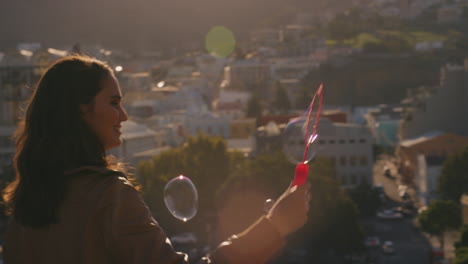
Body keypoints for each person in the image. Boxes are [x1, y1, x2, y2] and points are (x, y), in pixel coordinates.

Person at [2, 55, 309, 264]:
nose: (123, 115)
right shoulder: (109, 197)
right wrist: (274, 226)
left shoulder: (26, 205)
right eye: (113, 103)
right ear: (82, 109)